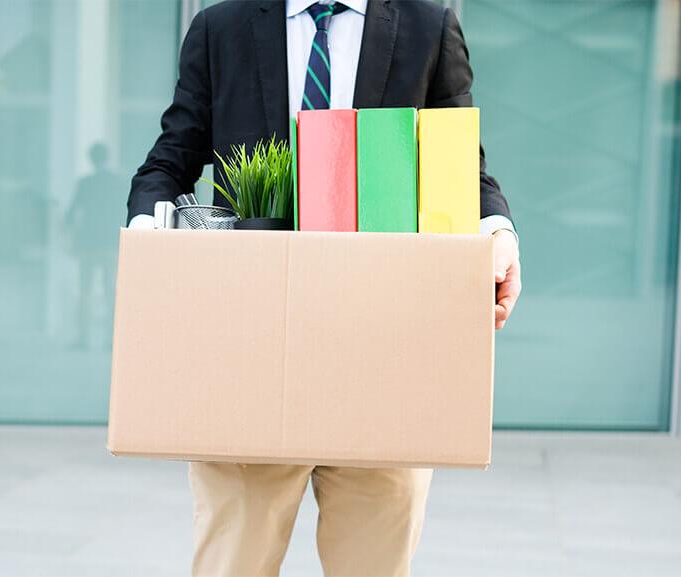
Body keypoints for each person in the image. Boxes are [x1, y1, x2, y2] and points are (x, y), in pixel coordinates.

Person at [126, 1, 522, 575]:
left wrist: (499, 234)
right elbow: (171, 159)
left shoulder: (425, 25)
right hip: (251, 358)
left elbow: (460, 163)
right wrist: (148, 238)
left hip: (383, 358)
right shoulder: (222, 26)